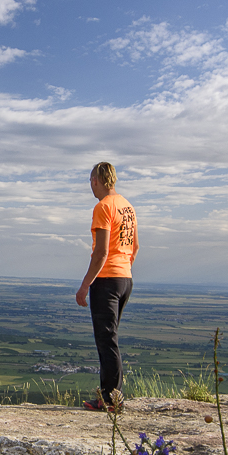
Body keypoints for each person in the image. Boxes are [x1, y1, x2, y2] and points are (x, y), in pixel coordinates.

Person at [75, 161, 137, 411]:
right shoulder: (127, 207)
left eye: (91, 180)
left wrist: (85, 285)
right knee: (109, 339)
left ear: (97, 181)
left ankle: (111, 400)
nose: (90, 185)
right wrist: (124, 268)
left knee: (106, 342)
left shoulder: (103, 207)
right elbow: (135, 247)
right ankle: (110, 397)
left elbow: (100, 252)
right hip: (125, 279)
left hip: (107, 281)